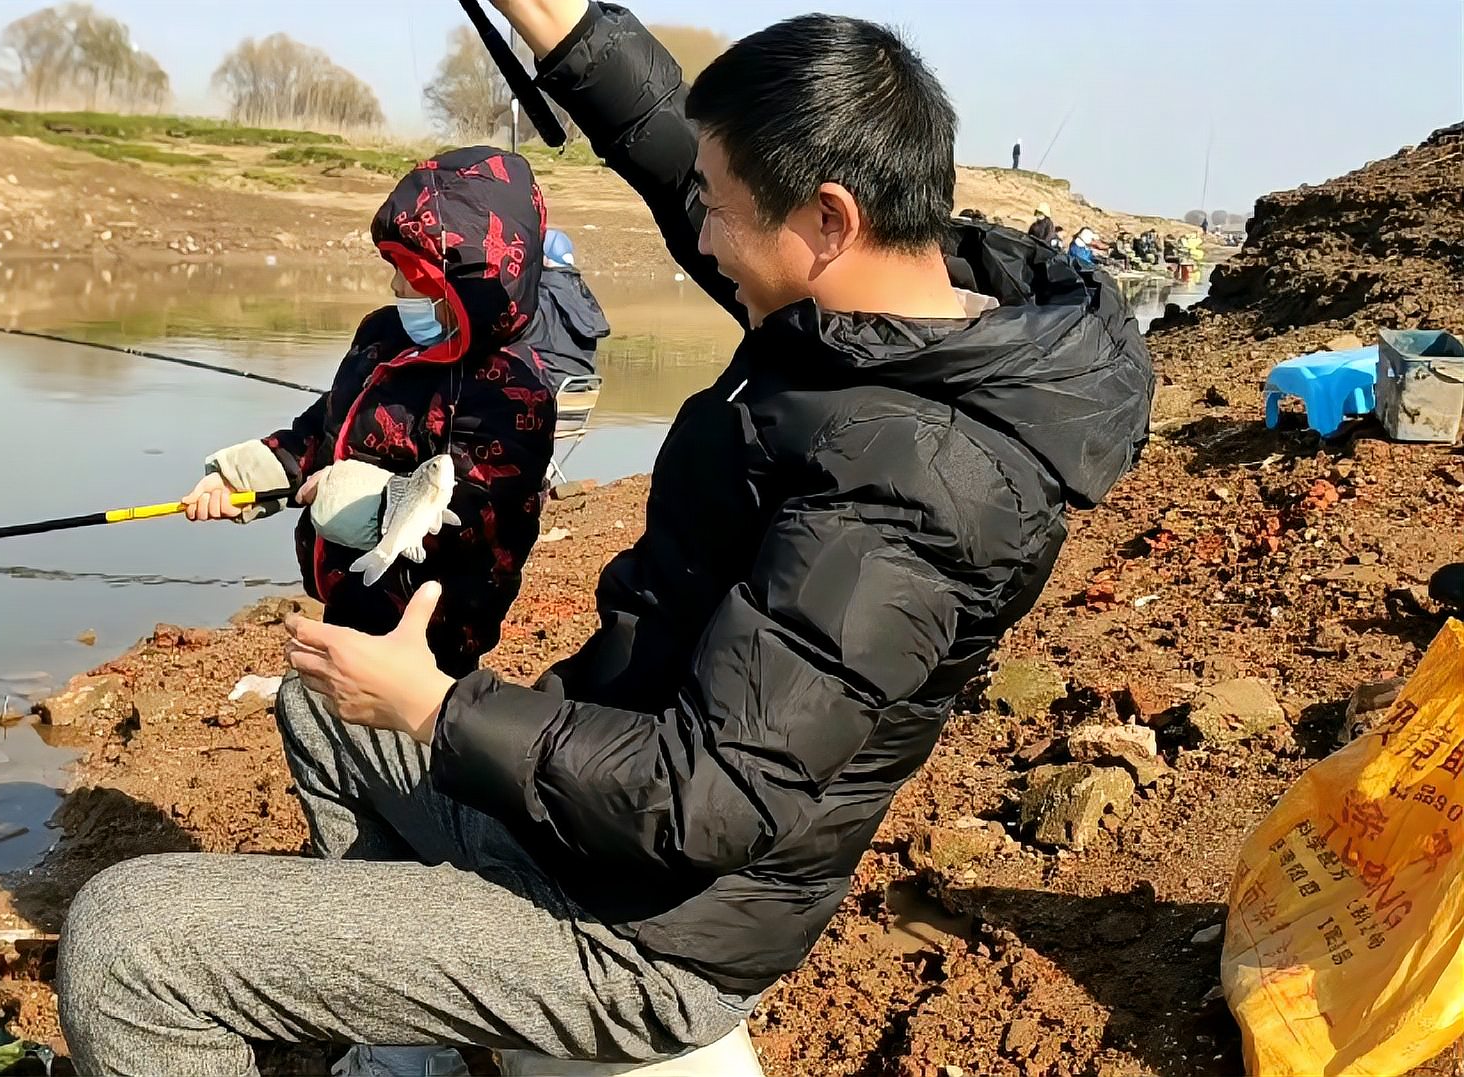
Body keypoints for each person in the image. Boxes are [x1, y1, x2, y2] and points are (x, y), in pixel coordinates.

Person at [56, 3, 1152, 1076]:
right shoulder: (878, 311)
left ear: (827, 220)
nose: (699, 231)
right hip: (594, 825)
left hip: (649, 936)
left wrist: (439, 709)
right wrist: (560, 22)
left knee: (127, 945)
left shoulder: (921, 482)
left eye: (719, 212)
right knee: (320, 699)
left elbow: (709, 794)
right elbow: (674, 147)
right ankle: (410, 1045)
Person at [179, 146, 555, 679]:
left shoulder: (513, 389)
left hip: (429, 632)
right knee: (312, 705)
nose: (396, 286)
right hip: (349, 597)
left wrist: (358, 501)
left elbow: (479, 520)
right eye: (394, 267)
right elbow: (324, 428)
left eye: (414, 274)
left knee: (349, 720)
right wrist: (247, 474)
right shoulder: (382, 336)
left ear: (469, 284)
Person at [520, 227, 611, 390]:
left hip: (546, 388)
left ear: (545, 259)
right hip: (582, 389)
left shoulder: (535, 294)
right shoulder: (583, 295)